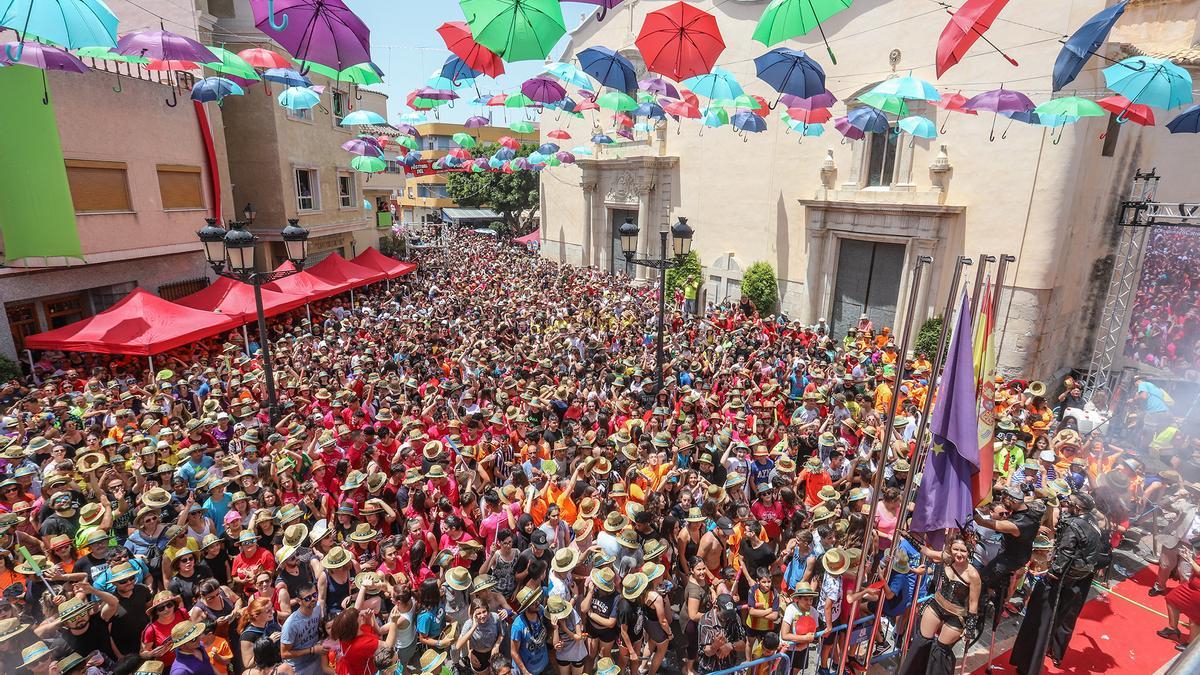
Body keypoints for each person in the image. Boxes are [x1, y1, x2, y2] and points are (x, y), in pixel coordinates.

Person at [1010, 492, 1106, 674]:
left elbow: (1065, 554)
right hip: (1077, 582)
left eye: (1069, 503)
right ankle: (1043, 657)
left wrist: (1050, 574)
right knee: (1057, 622)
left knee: (1039, 624)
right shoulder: (1095, 523)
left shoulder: (1074, 525)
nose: (1065, 505)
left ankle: (1027, 666)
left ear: (1077, 508)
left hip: (1058, 583)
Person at [897, 534, 981, 675]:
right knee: (921, 643)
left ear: (969, 552)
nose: (959, 554)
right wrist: (908, 537)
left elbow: (973, 603)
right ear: (950, 549)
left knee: (940, 652)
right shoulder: (947, 558)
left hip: (957, 616)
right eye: (956, 549)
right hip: (937, 606)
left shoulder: (973, 575)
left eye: (963, 551)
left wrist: (970, 629)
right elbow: (927, 551)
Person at [280, 584, 325, 675]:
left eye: (315, 595)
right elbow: (284, 654)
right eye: (308, 598)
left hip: (316, 659)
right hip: (298, 667)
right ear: (299, 601)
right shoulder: (291, 624)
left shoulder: (317, 607)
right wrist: (312, 650)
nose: (313, 599)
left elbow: (319, 626)